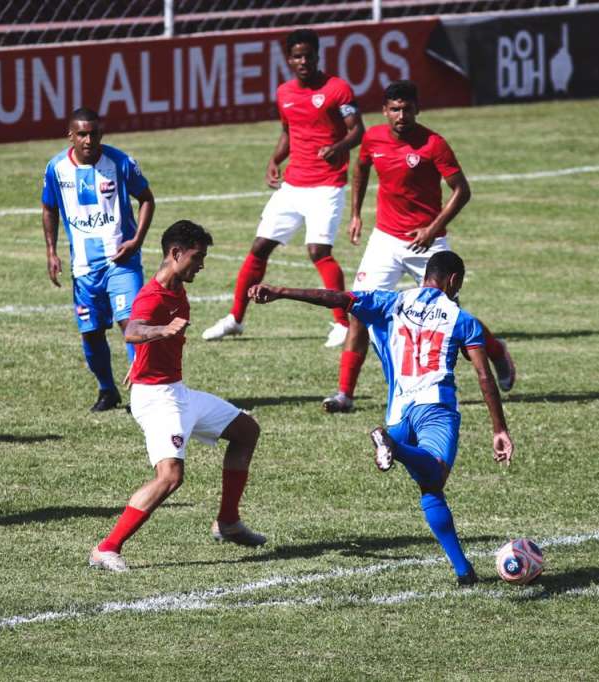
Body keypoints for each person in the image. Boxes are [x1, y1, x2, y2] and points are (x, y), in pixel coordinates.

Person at [249, 250, 513, 585]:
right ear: (454, 281)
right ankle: (395, 447)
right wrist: (499, 429)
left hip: (399, 413)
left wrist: (281, 292)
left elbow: (337, 298)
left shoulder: (392, 302)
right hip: (435, 409)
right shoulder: (462, 319)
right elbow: (484, 377)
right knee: (435, 476)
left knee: (430, 490)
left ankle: (464, 572)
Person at [323, 80, 515, 414]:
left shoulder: (433, 144)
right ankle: (345, 395)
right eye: (394, 109)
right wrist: (355, 214)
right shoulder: (372, 139)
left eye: (407, 109)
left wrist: (433, 229)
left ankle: (496, 351)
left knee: (448, 318)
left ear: (417, 109)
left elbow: (462, 190)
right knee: (358, 311)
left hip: (428, 242)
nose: (401, 115)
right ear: (384, 111)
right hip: (385, 239)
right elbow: (362, 169)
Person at [90, 220, 265, 572]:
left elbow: (143, 341)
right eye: (197, 257)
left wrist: (141, 360)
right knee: (170, 477)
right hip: (157, 400)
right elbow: (133, 330)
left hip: (176, 391)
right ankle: (106, 548)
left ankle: (228, 521)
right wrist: (159, 332)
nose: (201, 264)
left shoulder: (175, 287)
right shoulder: (153, 295)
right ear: (175, 253)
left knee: (246, 430)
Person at [202, 28, 364, 348]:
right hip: (293, 183)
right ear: (289, 59)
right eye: (297, 56)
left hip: (327, 185)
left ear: (318, 56)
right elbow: (288, 131)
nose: (303, 61)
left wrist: (339, 146)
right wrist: (275, 159)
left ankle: (342, 324)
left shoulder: (337, 89)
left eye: (309, 55)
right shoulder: (285, 93)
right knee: (260, 246)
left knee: (318, 251)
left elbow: (357, 130)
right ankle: (235, 318)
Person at [42, 107, 156, 412]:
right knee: (90, 333)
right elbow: (49, 208)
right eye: (82, 134)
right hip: (83, 269)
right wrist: (51, 251)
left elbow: (147, 199)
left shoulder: (120, 163)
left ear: (101, 134)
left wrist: (137, 241)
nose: (88, 140)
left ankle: (141, 393)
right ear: (71, 136)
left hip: (121, 262)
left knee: (131, 325)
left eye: (93, 133)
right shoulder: (55, 169)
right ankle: (107, 390)